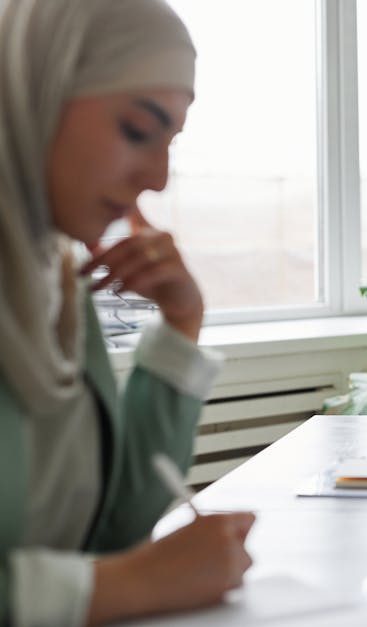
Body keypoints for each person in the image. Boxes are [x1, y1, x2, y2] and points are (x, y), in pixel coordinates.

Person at [0, 1, 255, 625]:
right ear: (36, 90)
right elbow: (111, 572)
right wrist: (124, 585)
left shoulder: (55, 283)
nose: (159, 178)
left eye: (171, 142)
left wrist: (181, 323)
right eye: (139, 129)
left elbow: (111, 529)